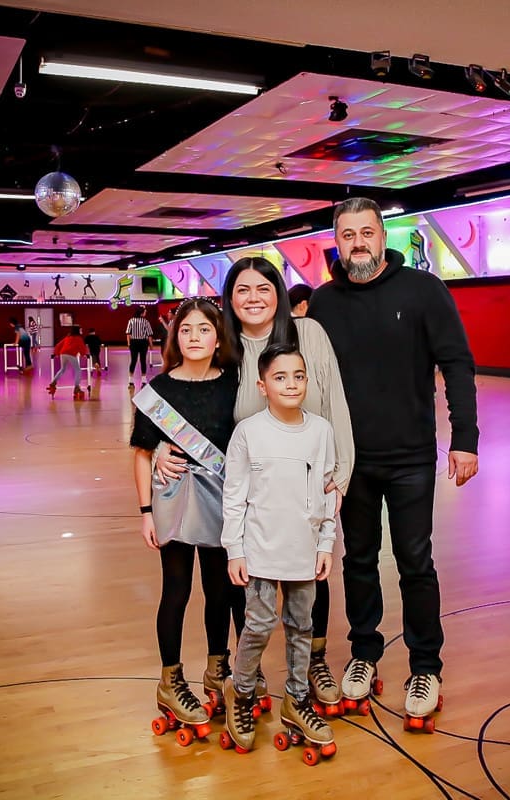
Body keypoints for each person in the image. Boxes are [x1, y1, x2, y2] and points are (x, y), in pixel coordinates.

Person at [309, 197, 479, 725]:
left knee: (414, 562)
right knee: (358, 560)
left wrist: (465, 438)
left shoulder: (424, 291)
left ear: (383, 237)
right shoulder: (323, 303)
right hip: (349, 460)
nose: (358, 243)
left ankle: (426, 666)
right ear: (336, 243)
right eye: (347, 235)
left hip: (411, 458)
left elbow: (457, 363)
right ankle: (364, 653)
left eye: (367, 232)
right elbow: (309, 381)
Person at [158, 255, 353, 712]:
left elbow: (336, 402)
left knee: (311, 573)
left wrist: (340, 473)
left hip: (308, 478)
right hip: (252, 486)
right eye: (242, 290)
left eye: (263, 288)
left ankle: (315, 661)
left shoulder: (308, 334)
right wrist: (162, 445)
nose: (253, 298)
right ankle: (249, 669)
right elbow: (192, 397)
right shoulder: (224, 347)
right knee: (249, 578)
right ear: (229, 299)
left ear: (279, 294)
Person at [130, 299, 240, 741]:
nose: (195, 337)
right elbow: (141, 453)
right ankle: (170, 680)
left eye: (204, 329)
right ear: (175, 336)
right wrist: (145, 512)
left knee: (220, 589)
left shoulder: (233, 384)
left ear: (218, 339)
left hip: (221, 499)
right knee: (176, 590)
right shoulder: (158, 390)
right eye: (186, 329)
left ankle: (218, 669)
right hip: (173, 498)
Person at [220, 343, 337, 755]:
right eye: (280, 377)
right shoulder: (248, 432)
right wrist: (234, 549)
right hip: (260, 551)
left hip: (304, 551)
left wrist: (326, 543)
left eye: (298, 376)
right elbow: (234, 495)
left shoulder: (321, 431)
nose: (291, 384)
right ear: (262, 386)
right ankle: (242, 692)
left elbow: (327, 493)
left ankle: (297, 698)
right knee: (258, 625)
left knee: (302, 626)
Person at [47, 325, 89, 400]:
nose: (81, 331)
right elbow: (82, 348)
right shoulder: (79, 338)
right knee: (78, 370)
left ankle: (53, 383)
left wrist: (56, 353)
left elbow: (58, 345)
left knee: (62, 369)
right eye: (80, 330)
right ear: (77, 331)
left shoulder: (68, 337)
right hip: (71, 354)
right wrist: (84, 354)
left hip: (63, 354)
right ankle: (77, 387)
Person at [126, 305, 154, 388]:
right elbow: (149, 334)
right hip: (143, 342)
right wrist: (151, 345)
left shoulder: (131, 320)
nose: (146, 313)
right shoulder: (146, 322)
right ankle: (144, 381)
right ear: (141, 313)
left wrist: (129, 343)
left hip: (134, 342)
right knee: (143, 360)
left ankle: (130, 381)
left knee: (133, 361)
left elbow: (128, 333)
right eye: (145, 312)